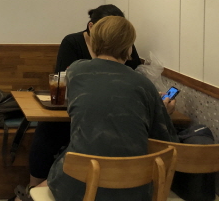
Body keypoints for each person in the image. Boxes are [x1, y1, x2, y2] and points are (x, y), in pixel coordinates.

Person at [45, 16, 178, 201]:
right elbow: (166, 143)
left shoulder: (76, 71)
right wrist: (164, 113)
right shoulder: (144, 85)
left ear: (93, 41)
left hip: (77, 188)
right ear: (129, 48)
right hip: (134, 192)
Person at [25, 5, 142, 190]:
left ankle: (39, 189)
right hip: (136, 182)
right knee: (50, 127)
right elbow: (62, 78)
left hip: (105, 115)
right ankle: (35, 185)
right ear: (91, 27)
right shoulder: (74, 48)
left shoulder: (79, 69)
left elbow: (133, 74)